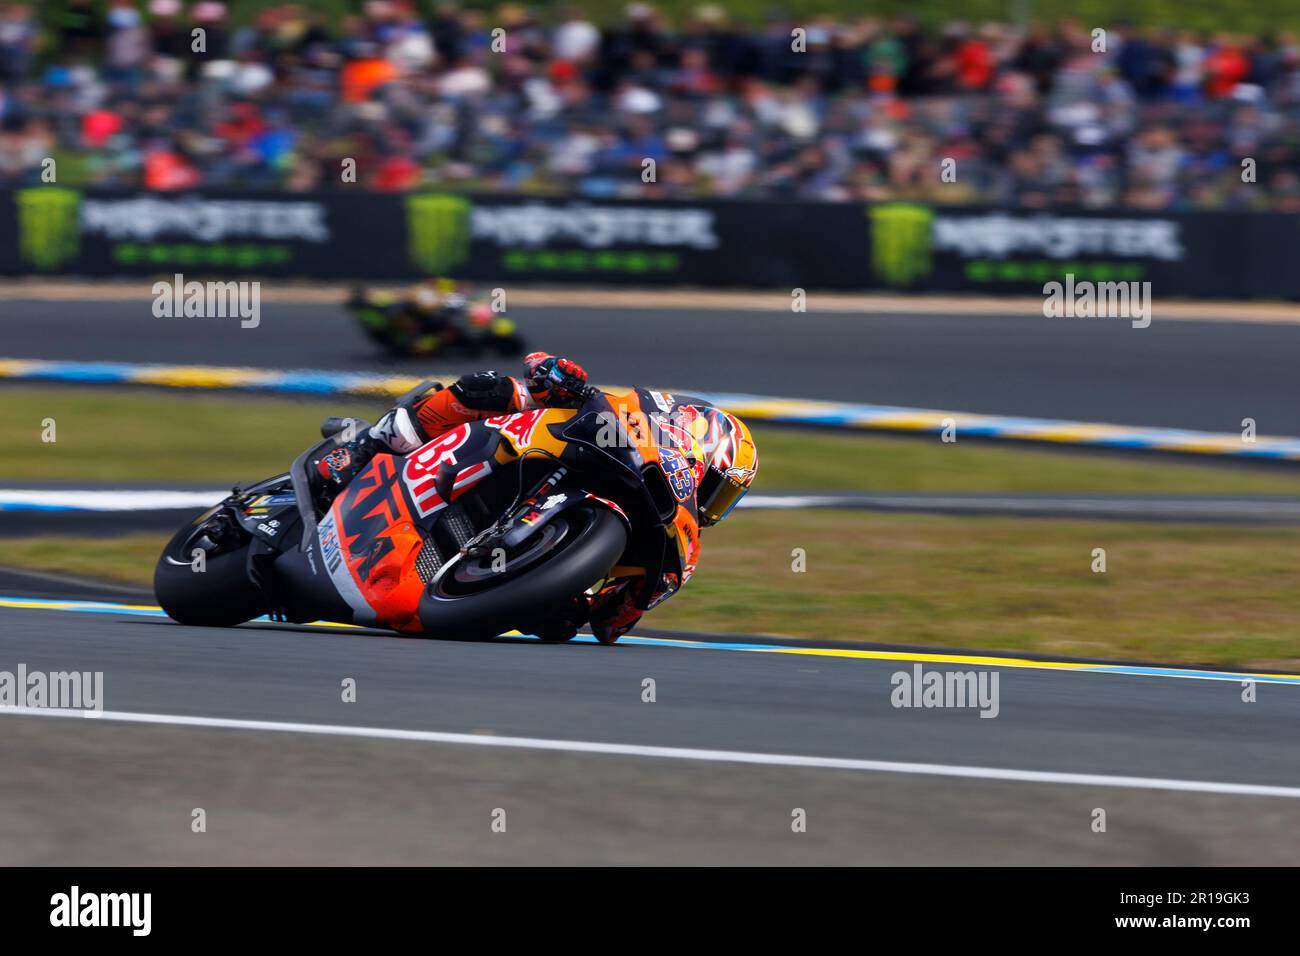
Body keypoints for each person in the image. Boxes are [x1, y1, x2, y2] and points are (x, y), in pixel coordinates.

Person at [312, 352, 758, 641]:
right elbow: (541, 365)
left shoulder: (682, 546)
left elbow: (609, 626)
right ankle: (367, 444)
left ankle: (479, 577)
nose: (714, 505)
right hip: (517, 448)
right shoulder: (627, 416)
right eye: (719, 489)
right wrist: (560, 377)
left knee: (561, 625)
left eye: (726, 499)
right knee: (500, 389)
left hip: (485, 599)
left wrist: (627, 600)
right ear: (699, 444)